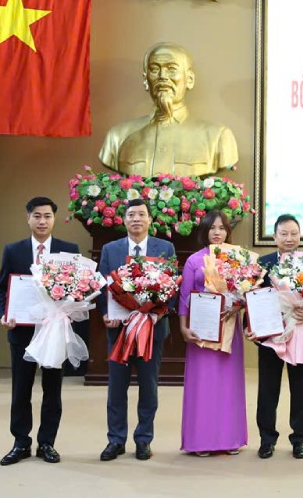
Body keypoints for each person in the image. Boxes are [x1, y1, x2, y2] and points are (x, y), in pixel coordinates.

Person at [0, 196, 79, 466]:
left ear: (54, 219)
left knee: (52, 389)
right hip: (22, 331)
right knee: (21, 389)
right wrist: (4, 315)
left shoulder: (69, 250)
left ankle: (47, 443)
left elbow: (77, 290)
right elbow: (2, 290)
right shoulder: (13, 250)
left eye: (48, 216)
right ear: (28, 218)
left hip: (53, 331)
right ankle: (20, 442)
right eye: (37, 216)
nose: (42, 221)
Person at [96, 198, 177, 461]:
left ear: (150, 219)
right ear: (124, 219)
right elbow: (102, 286)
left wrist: (155, 315)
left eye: (142, 214)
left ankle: (144, 440)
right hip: (119, 330)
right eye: (131, 214)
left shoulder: (165, 248)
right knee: (116, 388)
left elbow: (172, 289)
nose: (136, 219)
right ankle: (116, 440)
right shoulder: (111, 249)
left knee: (148, 386)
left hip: (151, 331)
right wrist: (106, 313)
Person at [98, 42, 238, 178]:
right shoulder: (117, 137)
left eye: (171, 69)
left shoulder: (217, 137)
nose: (162, 76)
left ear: (189, 80)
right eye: (154, 69)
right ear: (146, 80)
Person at [177, 211, 247, 455]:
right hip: (201, 329)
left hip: (229, 328)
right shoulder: (194, 260)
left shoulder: (237, 258)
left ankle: (230, 439)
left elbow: (246, 292)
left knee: (229, 384)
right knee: (203, 385)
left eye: (222, 228)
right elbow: (185, 296)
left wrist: (237, 305)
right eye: (212, 228)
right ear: (204, 231)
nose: (217, 232)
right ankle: (201, 440)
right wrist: (183, 327)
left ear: (228, 231)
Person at [254, 214, 303, 460]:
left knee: (301, 389)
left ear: (300, 236)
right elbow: (252, 298)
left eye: (294, 233)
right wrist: (252, 328)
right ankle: (267, 439)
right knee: (268, 389)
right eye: (284, 234)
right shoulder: (263, 263)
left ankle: (300, 439)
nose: (289, 238)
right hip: (270, 335)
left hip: (300, 332)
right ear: (275, 237)